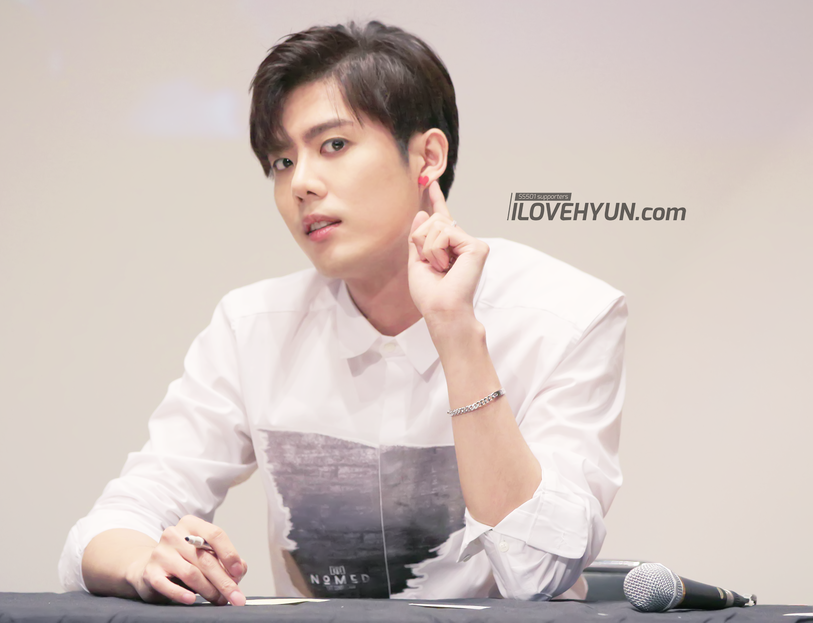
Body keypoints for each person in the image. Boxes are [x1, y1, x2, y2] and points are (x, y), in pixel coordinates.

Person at [59, 20, 626, 606]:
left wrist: (456, 334)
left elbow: (538, 573)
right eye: (282, 161)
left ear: (427, 156)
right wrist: (145, 560)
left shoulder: (567, 316)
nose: (300, 183)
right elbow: (104, 531)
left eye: (333, 145)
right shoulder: (253, 326)